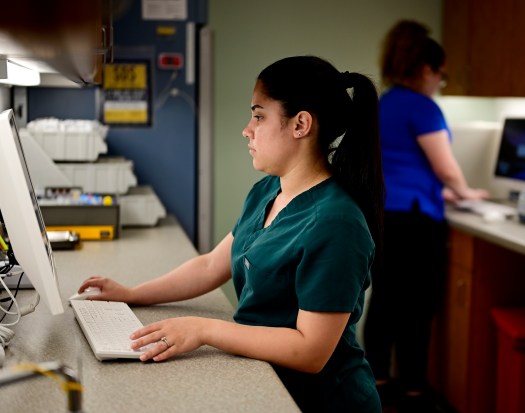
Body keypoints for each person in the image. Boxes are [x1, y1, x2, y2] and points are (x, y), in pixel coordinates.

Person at [77, 55, 384, 413]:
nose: (247, 129)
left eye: (258, 116)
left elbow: (310, 351)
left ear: (300, 124)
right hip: (266, 378)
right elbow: (210, 266)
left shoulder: (336, 223)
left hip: (323, 400)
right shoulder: (268, 191)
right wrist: (131, 294)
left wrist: (205, 330)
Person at [363, 20, 488, 411]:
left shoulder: (384, 104)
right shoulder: (422, 106)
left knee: (384, 300)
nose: (439, 83)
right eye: (440, 75)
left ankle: (378, 382)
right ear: (426, 70)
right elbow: (445, 167)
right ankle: (415, 390)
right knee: (417, 306)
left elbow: (400, 164)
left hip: (384, 215)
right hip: (416, 223)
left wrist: (441, 190)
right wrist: (466, 192)